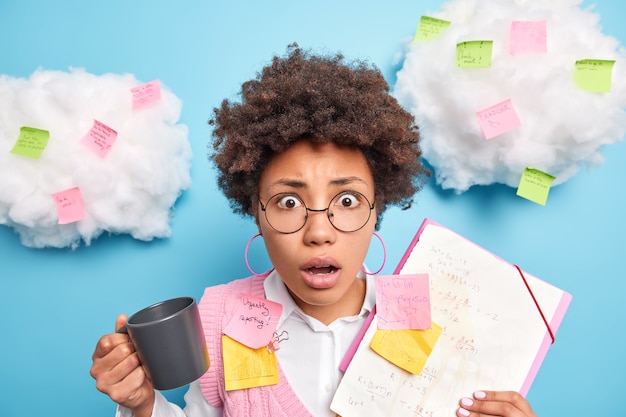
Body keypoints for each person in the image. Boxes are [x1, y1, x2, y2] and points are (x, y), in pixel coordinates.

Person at [90, 44, 538, 417]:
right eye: (289, 202)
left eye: (346, 201)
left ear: (377, 207)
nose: (319, 232)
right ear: (256, 213)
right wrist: (141, 405)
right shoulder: (219, 316)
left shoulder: (440, 316)